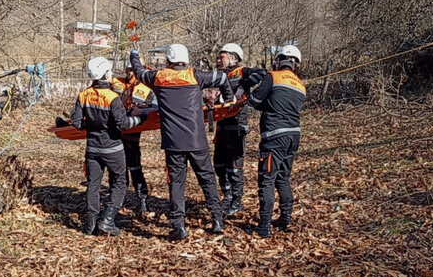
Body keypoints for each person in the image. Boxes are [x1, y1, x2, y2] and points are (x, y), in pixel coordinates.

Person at [130, 44, 235, 241]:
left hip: (173, 142)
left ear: (168, 60)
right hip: (196, 140)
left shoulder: (158, 77)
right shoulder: (195, 76)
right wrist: (228, 99)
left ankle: (178, 225)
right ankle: (217, 219)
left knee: (176, 183)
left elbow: (139, 71)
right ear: (185, 60)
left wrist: (134, 54)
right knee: (207, 180)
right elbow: (221, 78)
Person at [71, 57, 145, 236]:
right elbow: (124, 123)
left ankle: (90, 224)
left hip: (92, 148)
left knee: (93, 184)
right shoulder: (112, 97)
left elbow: (75, 122)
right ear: (105, 73)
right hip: (113, 148)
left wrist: (90, 127)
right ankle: (107, 220)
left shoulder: (83, 95)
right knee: (120, 183)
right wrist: (141, 119)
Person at [243, 45, 306, 238]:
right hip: (293, 136)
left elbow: (254, 99)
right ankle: (285, 217)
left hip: (274, 136)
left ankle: (263, 226)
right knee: (283, 178)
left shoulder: (273, 76)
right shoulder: (301, 85)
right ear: (295, 63)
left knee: (267, 179)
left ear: (279, 60)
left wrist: (247, 87)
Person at [213, 43, 265, 216]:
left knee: (235, 167)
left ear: (233, 57)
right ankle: (227, 195)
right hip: (221, 125)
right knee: (219, 164)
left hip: (236, 125)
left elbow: (261, 74)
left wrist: (247, 83)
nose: (218, 60)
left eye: (222, 57)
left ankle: (236, 200)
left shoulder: (241, 71)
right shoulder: (220, 75)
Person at [114, 66, 157, 213]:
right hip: (116, 130)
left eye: (133, 70)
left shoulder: (146, 89)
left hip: (133, 131)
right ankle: (118, 199)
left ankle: (142, 199)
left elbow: (152, 109)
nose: (130, 73)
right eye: (128, 69)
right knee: (118, 167)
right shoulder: (116, 83)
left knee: (135, 166)